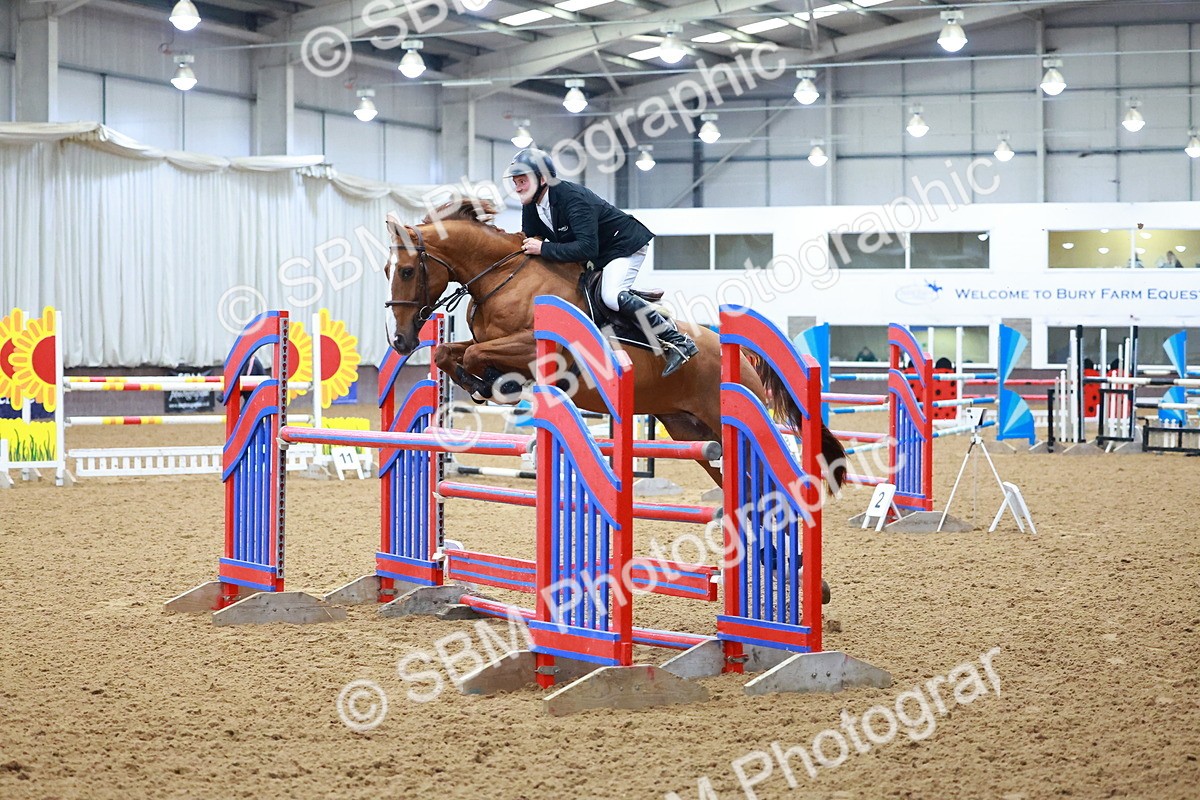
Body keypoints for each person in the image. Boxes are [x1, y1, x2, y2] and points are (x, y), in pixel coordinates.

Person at [503, 147, 698, 377]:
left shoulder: (571, 197)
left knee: (611, 296)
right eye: (515, 181)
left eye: (522, 180)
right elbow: (530, 243)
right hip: (596, 255)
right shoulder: (531, 206)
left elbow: (586, 247)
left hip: (622, 245)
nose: (517, 187)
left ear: (543, 179)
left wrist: (544, 248)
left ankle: (677, 340)